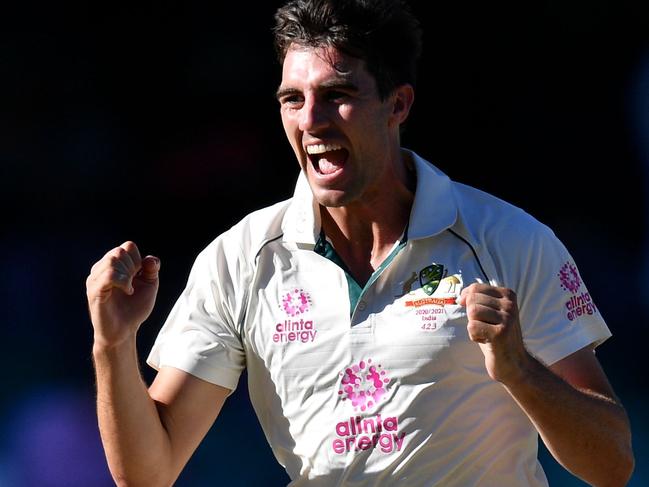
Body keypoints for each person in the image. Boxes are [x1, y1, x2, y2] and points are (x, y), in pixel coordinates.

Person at [86, 0, 634, 485]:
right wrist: (113, 345)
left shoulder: (509, 240)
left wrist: (518, 368)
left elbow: (612, 465)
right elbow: (146, 475)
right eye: (292, 100)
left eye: (337, 94)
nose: (312, 121)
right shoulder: (240, 257)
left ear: (398, 105)